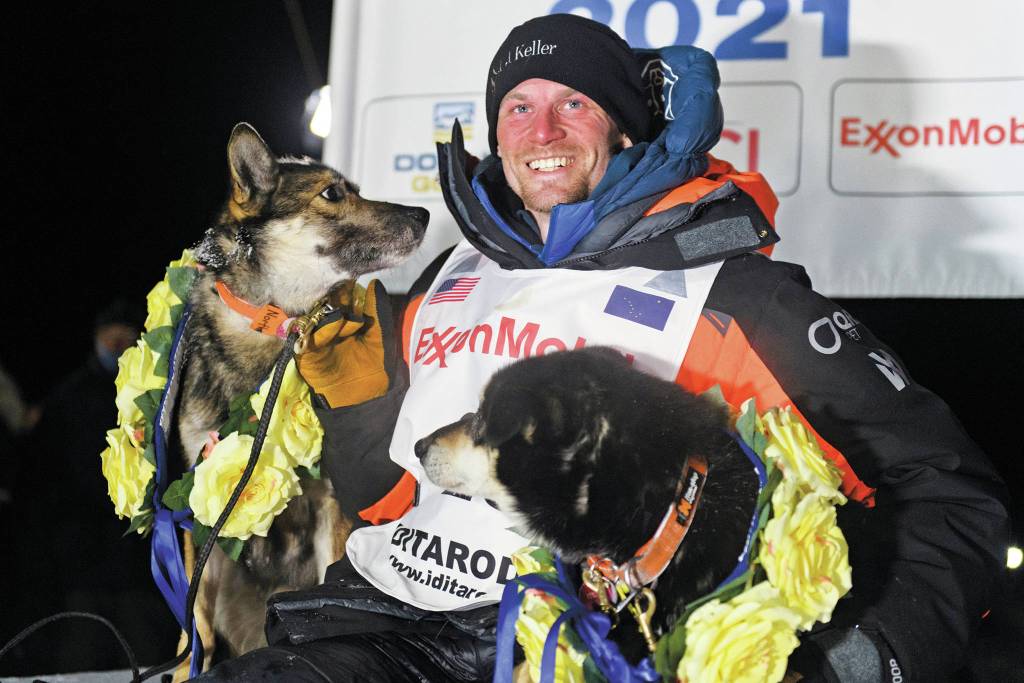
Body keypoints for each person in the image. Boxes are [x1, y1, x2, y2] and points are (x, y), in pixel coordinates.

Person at [198, 14, 1009, 682]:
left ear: (620, 126)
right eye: (518, 108)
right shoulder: (453, 271)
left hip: (586, 648)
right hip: (382, 629)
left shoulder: (728, 293)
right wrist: (358, 408)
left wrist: (864, 660)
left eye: (574, 104)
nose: (542, 130)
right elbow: (388, 499)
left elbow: (950, 492)